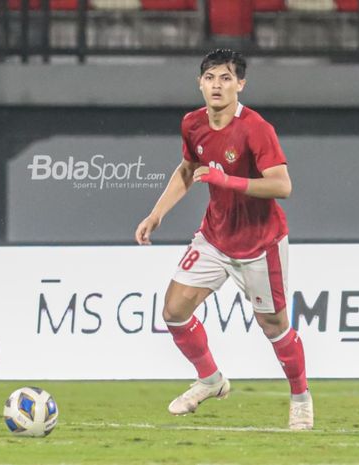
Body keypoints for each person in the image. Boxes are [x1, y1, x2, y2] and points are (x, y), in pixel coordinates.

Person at [134, 49, 313, 430]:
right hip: (215, 238)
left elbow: (283, 185)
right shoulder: (192, 124)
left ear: (240, 85)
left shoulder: (255, 128)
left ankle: (300, 397)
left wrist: (226, 180)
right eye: (211, 77)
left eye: (226, 78)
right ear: (200, 83)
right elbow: (187, 170)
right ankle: (211, 380)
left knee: (274, 326)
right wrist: (157, 213)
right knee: (173, 311)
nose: (217, 85)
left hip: (260, 244)